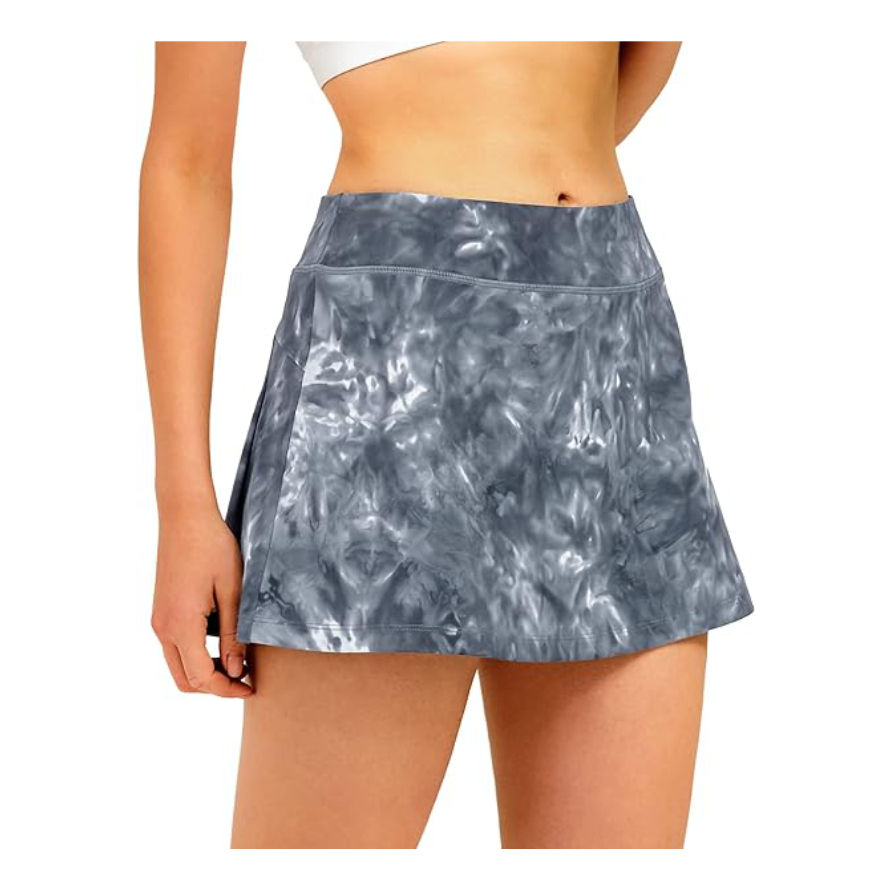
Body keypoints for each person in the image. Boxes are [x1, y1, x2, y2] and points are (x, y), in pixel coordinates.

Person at [139, 40, 754, 849]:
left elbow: (638, 54)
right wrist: (183, 505)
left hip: (607, 344)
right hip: (385, 362)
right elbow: (185, 163)